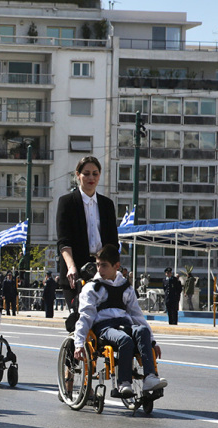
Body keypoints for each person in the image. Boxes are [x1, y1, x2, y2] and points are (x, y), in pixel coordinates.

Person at [72, 244, 167, 396]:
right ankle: (124, 383)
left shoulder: (126, 287)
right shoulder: (92, 288)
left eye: (104, 265)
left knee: (142, 331)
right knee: (125, 340)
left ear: (116, 266)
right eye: (97, 265)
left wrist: (153, 342)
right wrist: (79, 343)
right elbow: (85, 316)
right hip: (104, 328)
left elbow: (137, 315)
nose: (99, 270)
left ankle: (150, 377)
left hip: (125, 323)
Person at [56, 155, 119, 309]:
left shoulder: (107, 205)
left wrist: (113, 268)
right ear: (78, 175)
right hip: (76, 271)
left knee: (103, 318)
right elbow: (64, 241)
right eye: (86, 173)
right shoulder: (66, 202)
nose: (91, 177)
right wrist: (71, 267)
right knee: (80, 317)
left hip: (101, 270)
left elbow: (112, 242)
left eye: (95, 173)